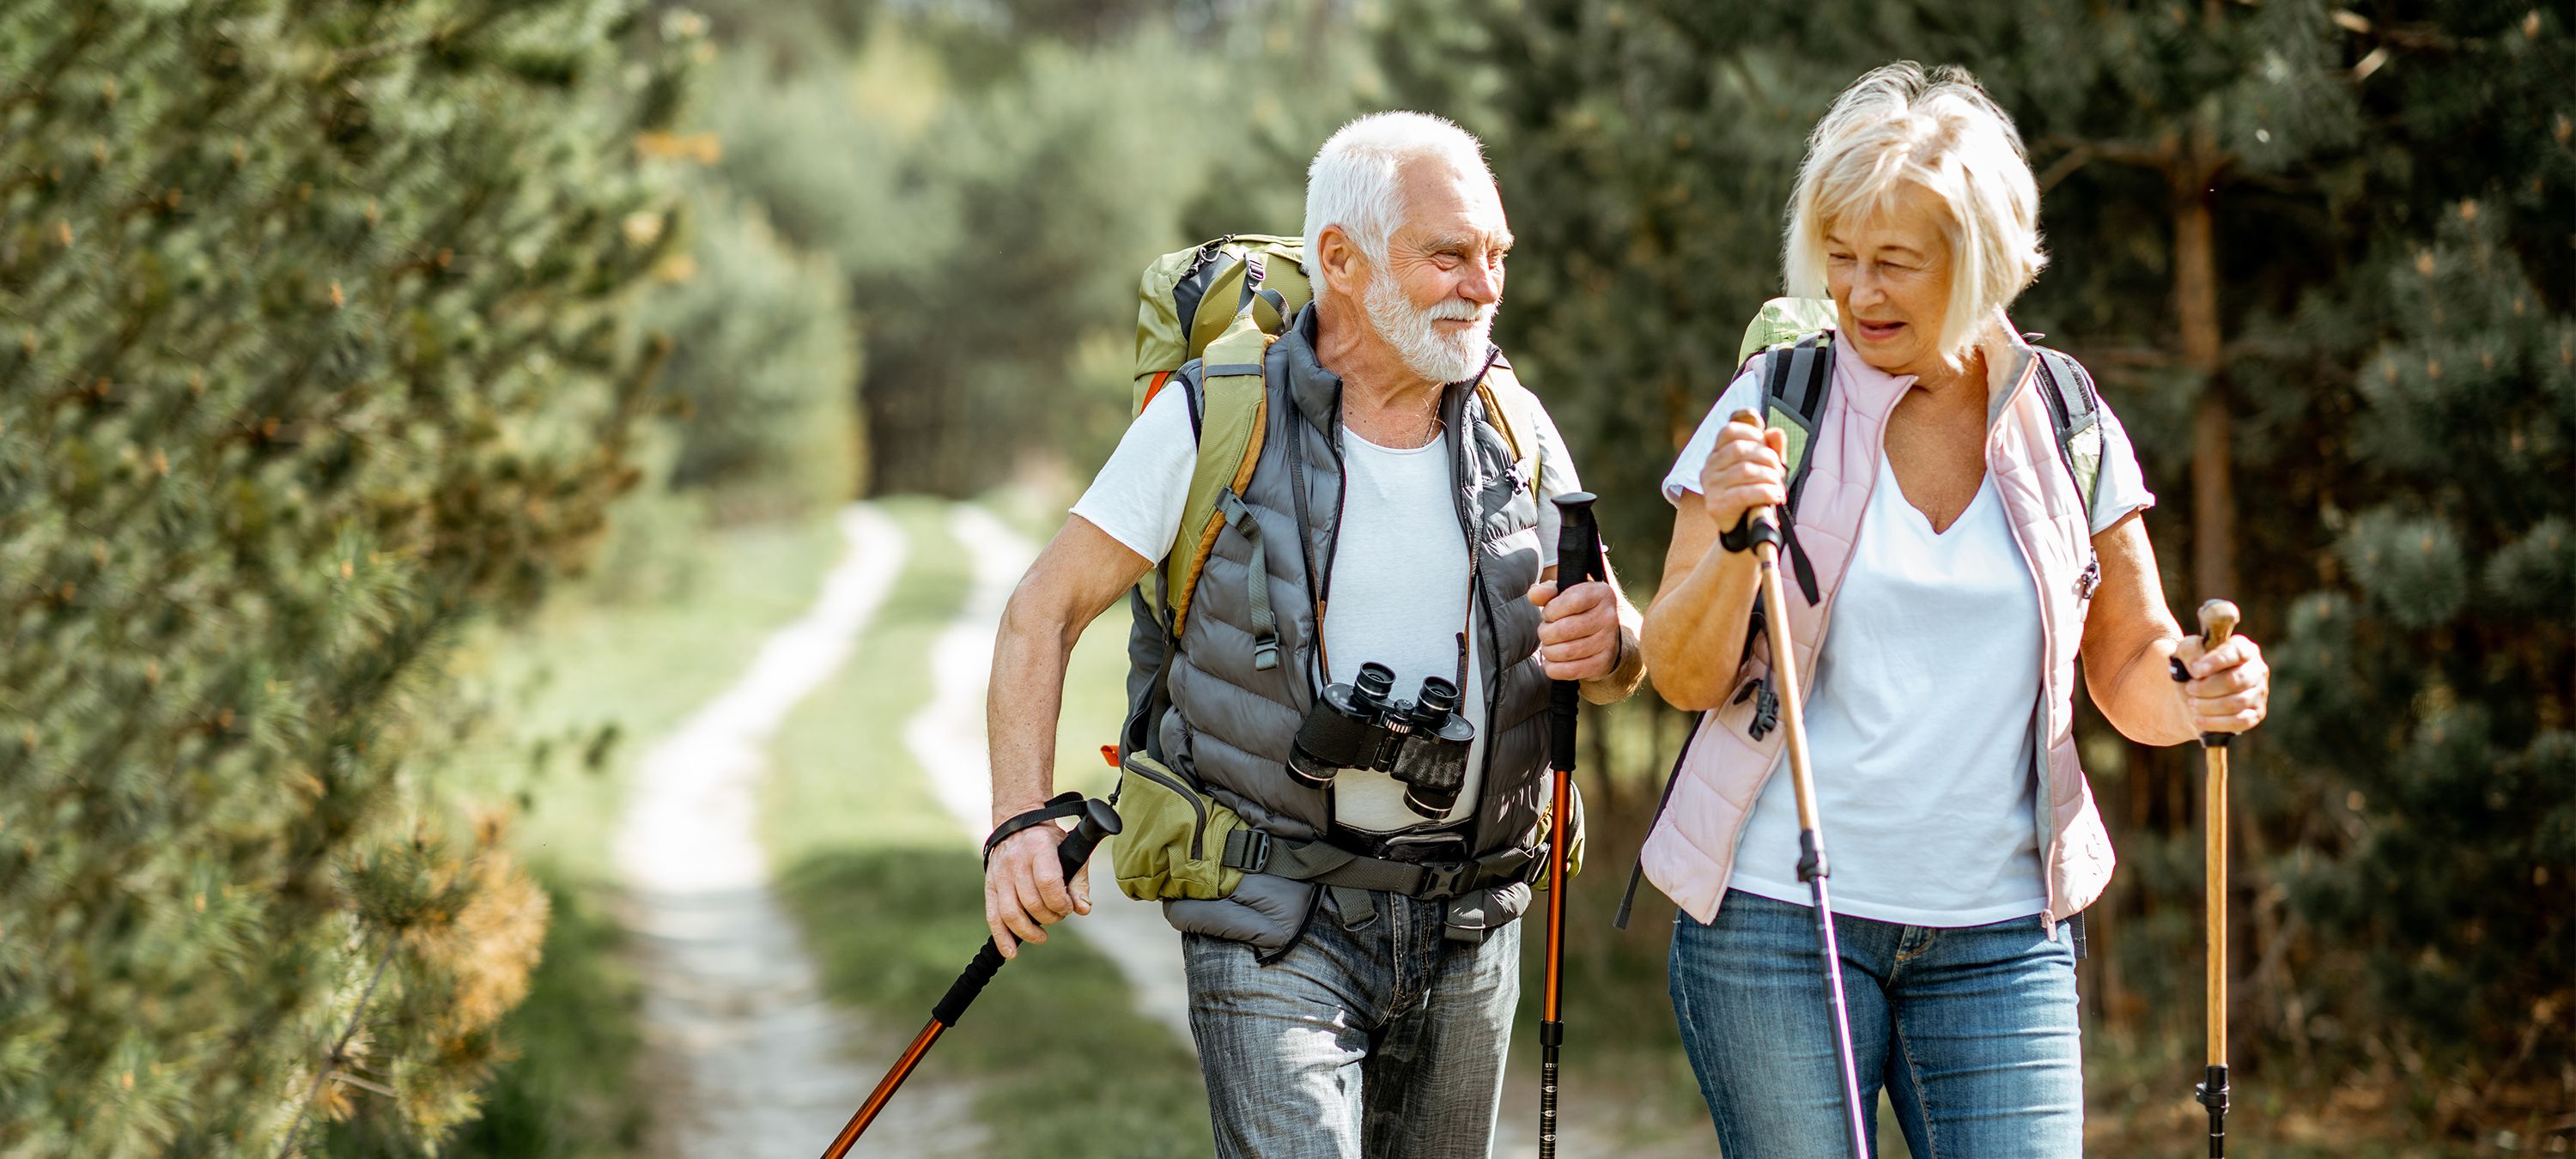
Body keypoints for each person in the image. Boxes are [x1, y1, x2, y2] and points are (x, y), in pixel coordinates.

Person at [981, 111, 1646, 1159]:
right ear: (1341, 258)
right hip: (1272, 915)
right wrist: (1019, 820)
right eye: (1449, 256)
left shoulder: (1517, 426)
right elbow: (1042, 610)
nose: (1484, 285)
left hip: (1471, 923)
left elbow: (1610, 661)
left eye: (1496, 257)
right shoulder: (1215, 418)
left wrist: (1612, 640)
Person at [1637, 63, 2271, 1156]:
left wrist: (2203, 690)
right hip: (1780, 922)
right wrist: (1741, 538)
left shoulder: (2066, 418)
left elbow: (2131, 669)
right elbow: (1683, 674)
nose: (1857, 293)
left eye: (1894, 263)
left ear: (1980, 263)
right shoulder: (1775, 403)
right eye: (1838, 259)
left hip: (2003, 936)